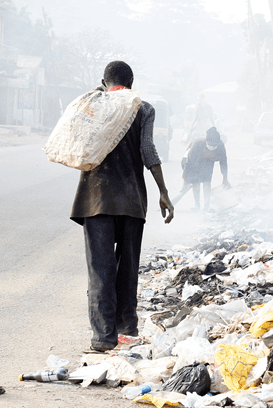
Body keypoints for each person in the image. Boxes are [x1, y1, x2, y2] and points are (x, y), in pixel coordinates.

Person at [69, 61, 174, 352]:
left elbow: (76, 140)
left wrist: (96, 92)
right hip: (131, 200)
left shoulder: (94, 105)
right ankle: (127, 328)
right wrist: (163, 191)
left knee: (100, 270)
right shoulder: (143, 108)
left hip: (95, 200)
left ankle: (103, 338)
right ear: (132, 82)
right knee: (127, 268)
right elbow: (148, 151)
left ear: (104, 82)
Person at [172, 127, 230, 210]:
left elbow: (223, 163)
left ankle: (206, 205)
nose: (212, 147)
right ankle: (197, 205)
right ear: (206, 142)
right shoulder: (197, 144)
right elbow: (189, 164)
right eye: (210, 145)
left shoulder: (220, 146)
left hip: (208, 161)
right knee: (196, 182)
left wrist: (225, 178)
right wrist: (186, 181)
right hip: (191, 162)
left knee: (207, 181)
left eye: (214, 145)